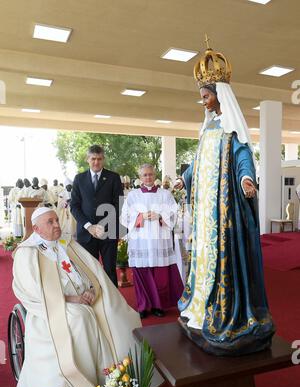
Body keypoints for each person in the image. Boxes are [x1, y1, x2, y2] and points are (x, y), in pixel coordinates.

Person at [174, 40, 275, 356]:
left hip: (225, 213)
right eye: (202, 96)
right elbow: (198, 164)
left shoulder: (231, 131)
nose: (202, 101)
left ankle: (230, 310)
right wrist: (185, 177)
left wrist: (246, 178)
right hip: (207, 216)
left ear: (220, 95)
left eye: (206, 95)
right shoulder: (207, 131)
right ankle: (202, 308)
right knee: (204, 259)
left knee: (224, 261)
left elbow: (244, 155)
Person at [12, 207, 143, 387]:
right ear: (36, 228)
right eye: (50, 222)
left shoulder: (67, 242)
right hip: (53, 307)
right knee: (81, 318)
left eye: (57, 220)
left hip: (83, 299)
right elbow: (31, 291)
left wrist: (92, 290)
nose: (57, 225)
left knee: (114, 313)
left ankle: (110, 376)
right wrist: (71, 300)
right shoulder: (28, 252)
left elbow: (93, 271)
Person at [121, 163, 184, 319]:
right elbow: (124, 217)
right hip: (140, 241)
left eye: (150, 174)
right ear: (140, 177)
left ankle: (157, 305)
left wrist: (161, 216)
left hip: (159, 241)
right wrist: (140, 217)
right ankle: (143, 306)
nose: (148, 177)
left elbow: (175, 214)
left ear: (155, 176)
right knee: (141, 274)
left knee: (159, 276)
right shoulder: (133, 196)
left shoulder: (165, 195)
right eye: (144, 175)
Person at [71, 145, 123, 287]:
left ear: (103, 160)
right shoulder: (79, 179)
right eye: (93, 159)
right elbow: (74, 206)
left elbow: (119, 205)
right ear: (87, 159)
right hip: (86, 234)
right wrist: (89, 226)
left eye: (99, 159)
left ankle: (113, 306)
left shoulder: (113, 178)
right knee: (89, 271)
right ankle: (94, 305)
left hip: (108, 232)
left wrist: (102, 226)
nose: (96, 162)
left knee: (109, 270)